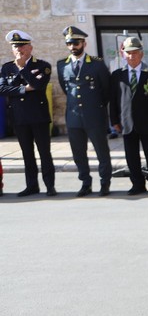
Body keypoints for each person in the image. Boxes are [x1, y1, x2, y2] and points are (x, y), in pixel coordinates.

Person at [57, 26, 113, 197]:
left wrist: (96, 107)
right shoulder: (62, 65)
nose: (72, 46)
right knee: (78, 153)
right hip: (74, 117)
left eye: (75, 43)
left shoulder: (96, 64)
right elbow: (66, 89)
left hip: (94, 115)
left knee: (101, 152)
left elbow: (106, 90)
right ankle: (85, 183)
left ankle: (105, 183)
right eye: (69, 43)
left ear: (84, 43)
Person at [0, 30, 56, 197]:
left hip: (38, 116)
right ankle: (32, 186)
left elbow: (38, 85)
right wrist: (24, 89)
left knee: (44, 152)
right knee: (27, 153)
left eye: (22, 46)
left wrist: (23, 68)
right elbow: (2, 89)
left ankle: (50, 185)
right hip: (19, 117)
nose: (19, 50)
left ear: (30, 47)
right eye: (15, 47)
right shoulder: (7, 67)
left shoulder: (42, 65)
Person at [109, 37, 148, 195]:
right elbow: (113, 101)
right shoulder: (117, 75)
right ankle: (137, 184)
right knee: (131, 157)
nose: (131, 56)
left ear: (141, 54)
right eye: (128, 53)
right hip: (127, 123)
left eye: (134, 53)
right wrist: (114, 121)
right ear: (123, 55)